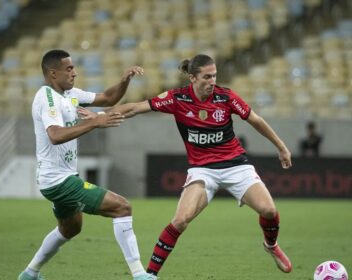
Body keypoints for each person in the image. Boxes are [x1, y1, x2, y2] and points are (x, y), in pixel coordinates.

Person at [79, 54, 293, 279]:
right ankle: (150, 275)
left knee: (269, 210)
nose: (212, 81)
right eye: (207, 77)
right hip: (202, 170)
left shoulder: (226, 96)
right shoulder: (177, 98)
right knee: (180, 220)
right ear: (192, 78)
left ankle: (271, 245)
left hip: (236, 165)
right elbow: (134, 108)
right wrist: (99, 117)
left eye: (214, 76)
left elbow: (256, 120)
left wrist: (281, 148)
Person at [17, 49, 155, 280]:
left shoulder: (70, 94)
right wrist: (96, 122)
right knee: (122, 207)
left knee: (70, 228)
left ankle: (30, 273)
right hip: (58, 180)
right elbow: (55, 135)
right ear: (53, 73)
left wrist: (124, 80)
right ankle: (140, 274)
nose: (74, 72)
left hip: (60, 178)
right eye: (69, 68)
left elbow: (108, 98)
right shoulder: (47, 97)